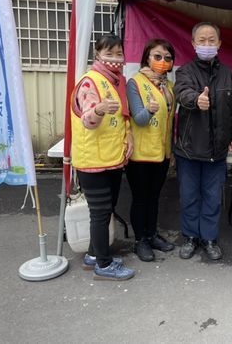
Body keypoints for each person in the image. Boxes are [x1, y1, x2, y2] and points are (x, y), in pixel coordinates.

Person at [173, 22, 232, 261]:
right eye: (201, 40)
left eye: (211, 40)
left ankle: (210, 239)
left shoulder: (229, 75)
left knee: (213, 197)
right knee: (190, 197)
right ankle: (191, 237)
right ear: (193, 44)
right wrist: (195, 100)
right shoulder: (185, 71)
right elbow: (181, 93)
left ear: (219, 44)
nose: (206, 44)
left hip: (217, 151)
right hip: (189, 149)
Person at [70, 34, 135, 281]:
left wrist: (128, 137)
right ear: (97, 55)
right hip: (93, 162)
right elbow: (88, 119)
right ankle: (104, 265)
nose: (116, 59)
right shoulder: (90, 82)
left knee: (105, 211)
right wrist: (97, 109)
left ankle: (94, 255)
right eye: (110, 53)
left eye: (119, 54)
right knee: (99, 213)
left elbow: (121, 118)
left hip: (111, 158)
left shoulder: (116, 81)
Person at [126, 39, 177, 262]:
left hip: (162, 152)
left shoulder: (169, 87)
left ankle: (152, 234)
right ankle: (140, 240)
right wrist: (149, 110)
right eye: (157, 56)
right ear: (147, 57)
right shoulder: (134, 83)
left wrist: (172, 150)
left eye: (167, 58)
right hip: (140, 154)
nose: (162, 61)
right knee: (140, 198)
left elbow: (171, 121)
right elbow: (138, 118)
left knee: (154, 197)